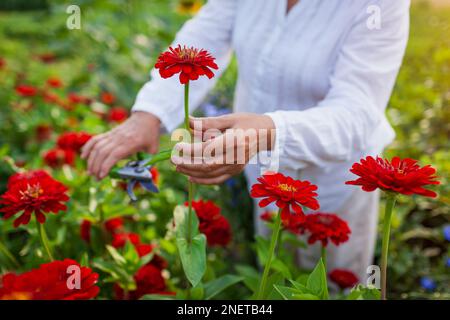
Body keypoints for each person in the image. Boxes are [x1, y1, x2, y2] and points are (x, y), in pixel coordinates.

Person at [81, 0, 410, 282]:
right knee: (267, 277)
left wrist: (268, 131)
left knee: (329, 286)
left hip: (333, 185)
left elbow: (357, 111)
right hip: (263, 172)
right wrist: (149, 114)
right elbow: (202, 39)